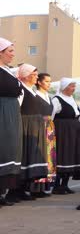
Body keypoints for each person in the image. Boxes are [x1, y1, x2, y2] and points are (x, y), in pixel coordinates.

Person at [12, 64, 48, 201]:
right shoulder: (21, 89)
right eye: (34, 75)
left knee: (30, 156)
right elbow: (16, 109)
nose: (37, 77)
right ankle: (15, 190)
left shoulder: (32, 90)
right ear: (26, 76)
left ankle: (23, 189)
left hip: (34, 127)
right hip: (25, 126)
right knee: (23, 157)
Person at [0, 38, 23, 206]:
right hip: (2, 111)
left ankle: (2, 193)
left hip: (11, 112)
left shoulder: (7, 70)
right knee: (3, 148)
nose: (13, 55)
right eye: (10, 51)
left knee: (11, 149)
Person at [51, 78, 80, 195]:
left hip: (73, 131)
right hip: (62, 131)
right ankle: (56, 186)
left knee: (71, 156)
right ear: (64, 87)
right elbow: (51, 117)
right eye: (71, 86)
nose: (73, 88)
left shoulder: (72, 99)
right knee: (62, 156)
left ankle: (65, 185)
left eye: (74, 86)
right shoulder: (56, 99)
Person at [31, 73, 56, 198]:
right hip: (39, 127)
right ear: (39, 82)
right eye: (46, 81)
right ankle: (35, 187)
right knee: (39, 154)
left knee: (48, 157)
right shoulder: (35, 95)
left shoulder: (48, 97)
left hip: (49, 127)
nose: (49, 84)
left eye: (50, 81)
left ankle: (44, 186)